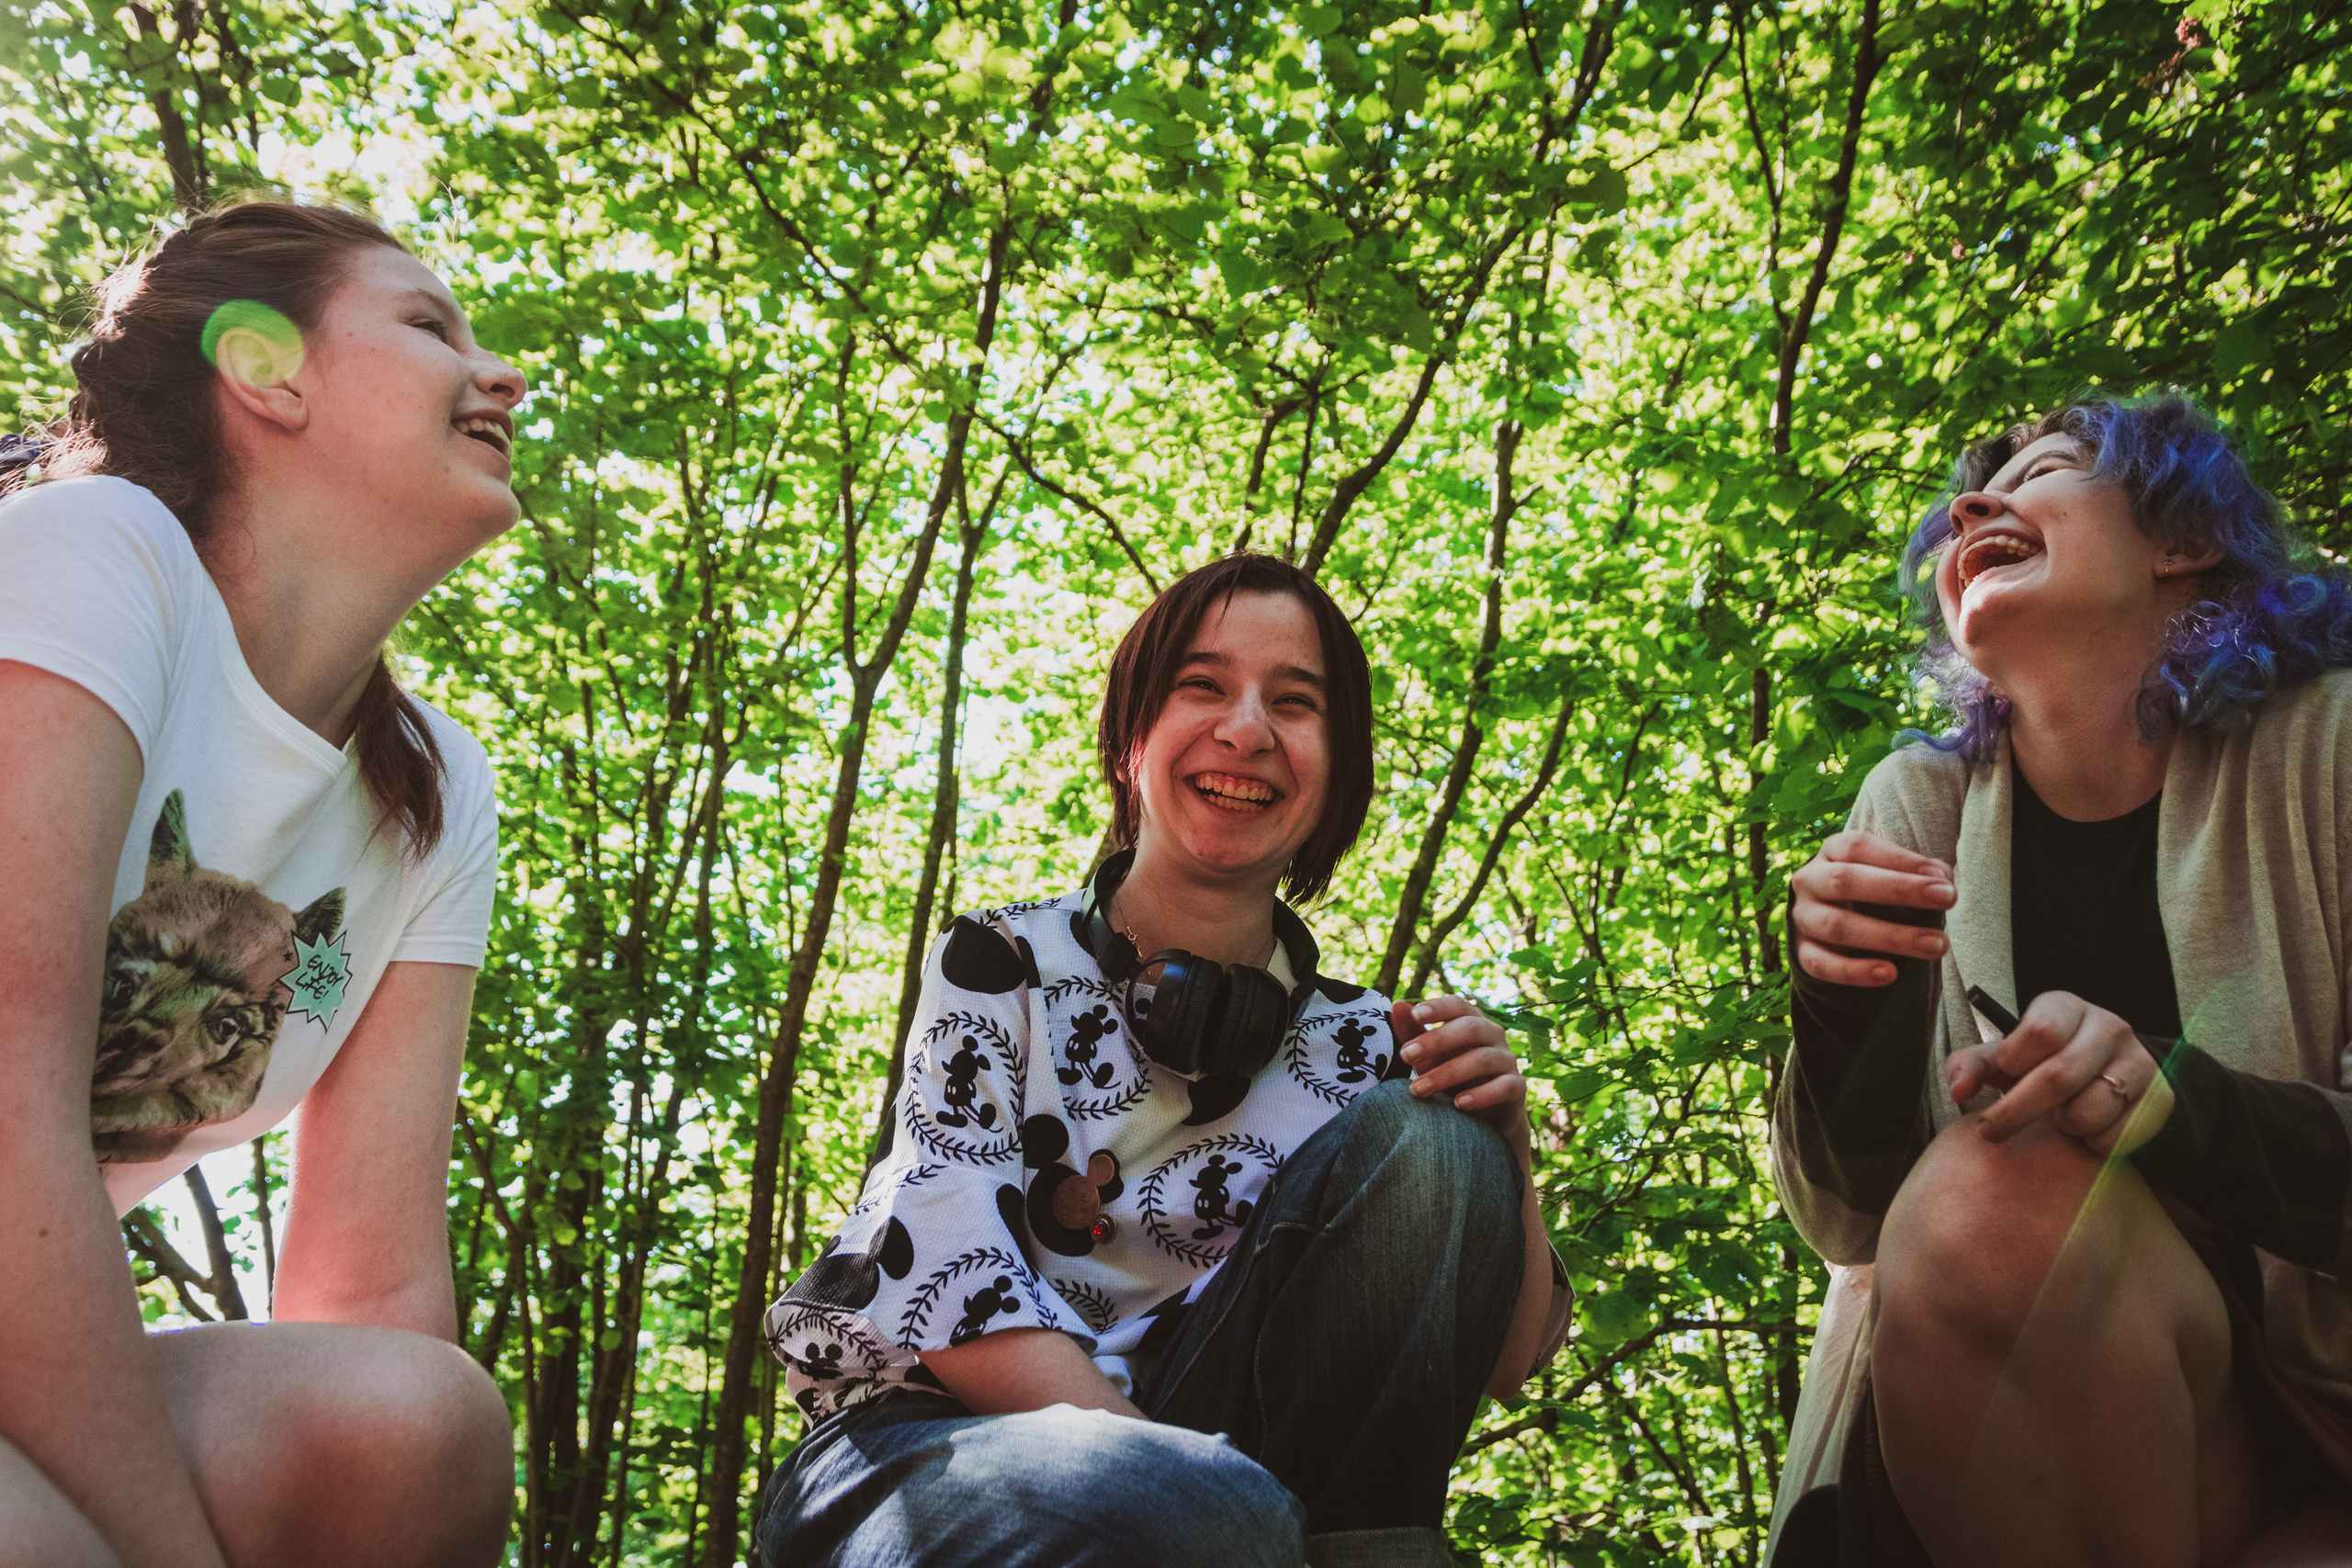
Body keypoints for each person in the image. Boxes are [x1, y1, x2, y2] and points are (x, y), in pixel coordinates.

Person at [757, 554, 1574, 1568]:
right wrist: (1198, 1497)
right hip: (920, 1452)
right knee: (1204, 1515)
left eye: (1295, 701)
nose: (1246, 730)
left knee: (1433, 1131)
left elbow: (1501, 1360)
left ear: (1340, 765)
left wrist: (1504, 1144)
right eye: (1203, 685)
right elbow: (943, 1288)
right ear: (1130, 735)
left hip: (1233, 1486)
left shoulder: (1374, 1046)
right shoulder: (996, 964)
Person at [0, 199, 523, 1568]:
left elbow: (371, 1286)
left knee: (418, 1424)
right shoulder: (92, 553)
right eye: (427, 326)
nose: (502, 373)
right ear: (264, 370)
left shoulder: (433, 797)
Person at [1769, 394, 2352, 1567]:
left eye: (2042, 471)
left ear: (2178, 542)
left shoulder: (2329, 749)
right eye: (1964, 504)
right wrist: (1843, 1005)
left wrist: (2178, 1105)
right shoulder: (1914, 805)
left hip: (2321, 1434)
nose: (1972, 508)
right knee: (2001, 1178)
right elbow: (1852, 1225)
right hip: (2019, 1449)